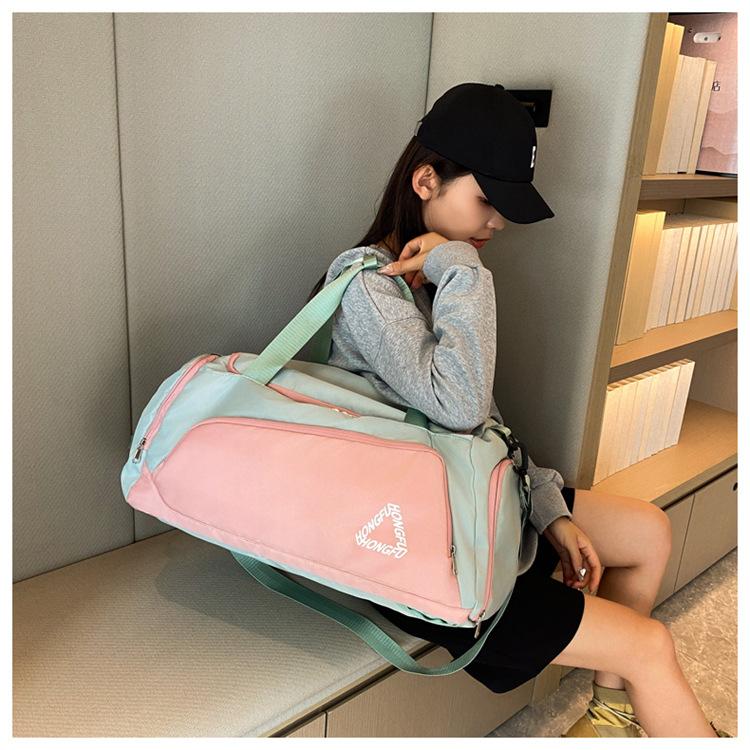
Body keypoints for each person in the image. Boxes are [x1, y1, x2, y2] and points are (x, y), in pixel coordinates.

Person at [306, 83, 730, 738]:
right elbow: (459, 408)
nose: (497, 223)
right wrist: (463, 269)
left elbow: (487, 427)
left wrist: (548, 511)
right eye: (487, 201)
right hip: (417, 541)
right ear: (425, 180)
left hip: (468, 499)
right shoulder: (371, 284)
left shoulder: (431, 278)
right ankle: (627, 699)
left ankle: (608, 717)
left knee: (647, 531)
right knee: (652, 646)